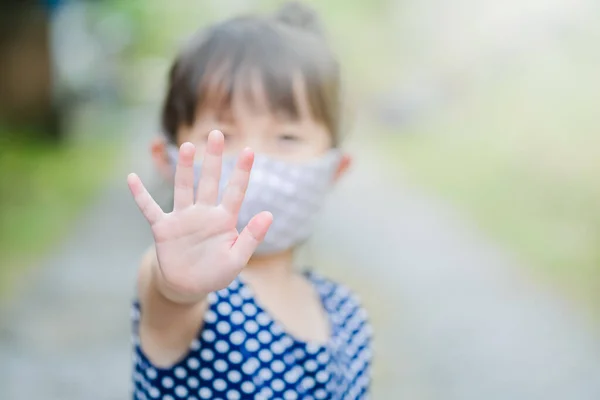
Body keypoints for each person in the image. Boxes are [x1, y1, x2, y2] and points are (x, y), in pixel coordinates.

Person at [127, 2, 373, 399]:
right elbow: (171, 295)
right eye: (222, 137)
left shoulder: (345, 313)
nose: (252, 160)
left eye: (287, 138)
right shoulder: (191, 289)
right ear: (168, 158)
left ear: (334, 169)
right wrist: (179, 286)